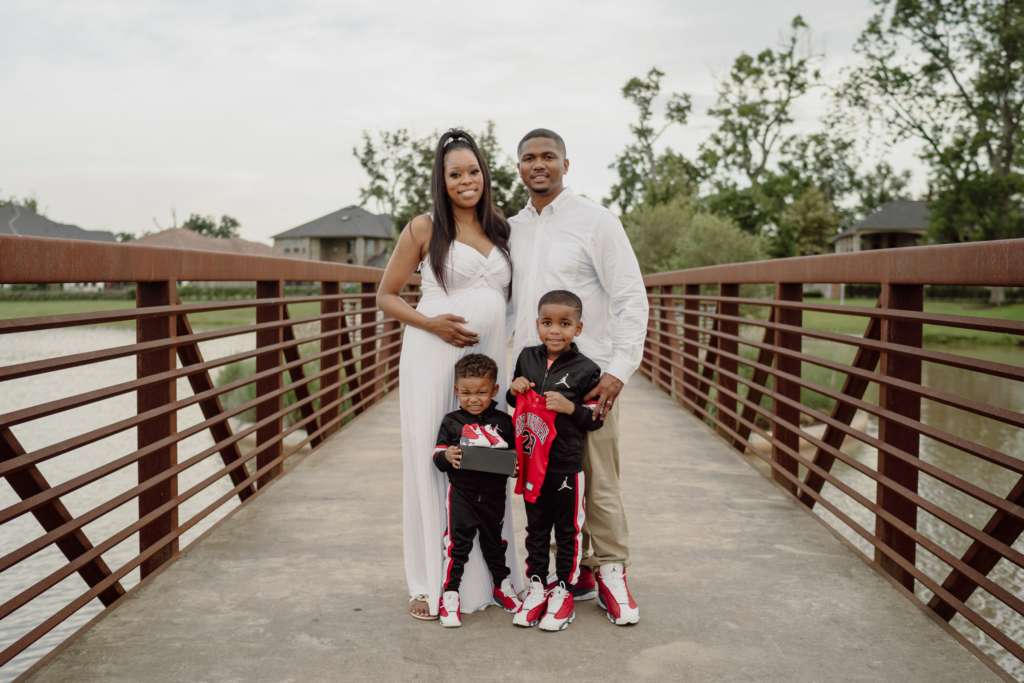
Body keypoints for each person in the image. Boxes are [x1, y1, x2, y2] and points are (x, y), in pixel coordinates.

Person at [377, 129, 523, 621]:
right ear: (441, 181)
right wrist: (431, 323)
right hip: (433, 354)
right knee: (433, 458)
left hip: (485, 359)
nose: (466, 180)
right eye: (455, 173)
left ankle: (490, 577)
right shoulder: (424, 228)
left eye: (473, 171)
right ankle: (428, 581)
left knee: (487, 459)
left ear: (485, 174)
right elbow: (386, 295)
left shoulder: (500, 228)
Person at [508, 129, 647, 626]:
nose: (538, 164)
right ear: (519, 167)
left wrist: (619, 370)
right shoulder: (511, 229)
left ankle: (610, 570)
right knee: (548, 483)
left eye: (549, 156)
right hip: (532, 383)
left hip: (589, 378)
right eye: (529, 157)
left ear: (566, 164)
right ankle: (570, 573)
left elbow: (631, 297)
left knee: (599, 480)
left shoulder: (596, 221)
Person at [507, 290, 604, 632]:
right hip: (533, 461)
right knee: (535, 529)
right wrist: (514, 388)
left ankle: (564, 590)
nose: (555, 330)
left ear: (578, 328)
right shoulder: (527, 356)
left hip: (565, 465)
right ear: (537, 324)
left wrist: (570, 408)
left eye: (564, 324)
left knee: (567, 531)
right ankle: (537, 587)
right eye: (547, 323)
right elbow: (513, 400)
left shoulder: (587, 369)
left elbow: (594, 420)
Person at [432, 354, 523, 628]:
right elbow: (437, 457)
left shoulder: (503, 421)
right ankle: (450, 595)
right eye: (466, 393)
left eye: (481, 392)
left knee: (495, 544)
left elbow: (513, 457)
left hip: (494, 496)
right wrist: (447, 456)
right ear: (456, 391)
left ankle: (502, 587)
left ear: (495, 390)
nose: (474, 399)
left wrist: (515, 467)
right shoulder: (452, 421)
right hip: (462, 495)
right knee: (457, 546)